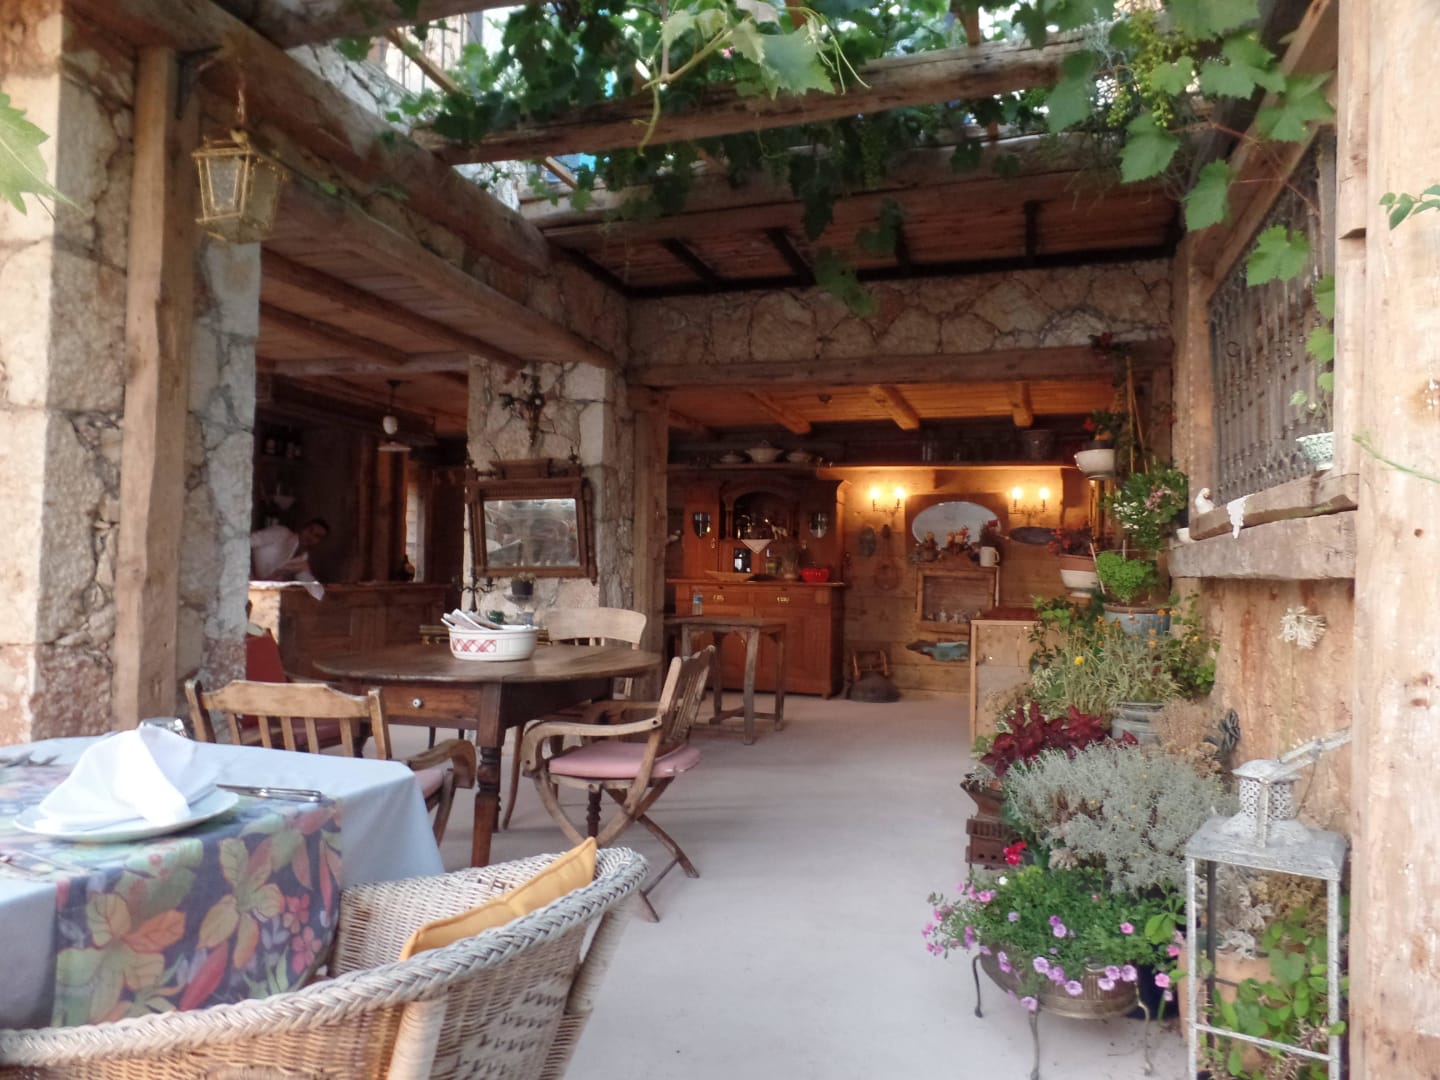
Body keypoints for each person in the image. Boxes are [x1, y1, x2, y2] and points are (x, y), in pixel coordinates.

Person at [250, 518, 329, 599]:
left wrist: (326, 596)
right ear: (303, 529)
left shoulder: (302, 561)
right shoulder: (281, 533)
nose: (310, 537)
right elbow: (248, 541)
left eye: (317, 536)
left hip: (257, 593)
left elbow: (314, 589)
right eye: (310, 530)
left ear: (319, 542)